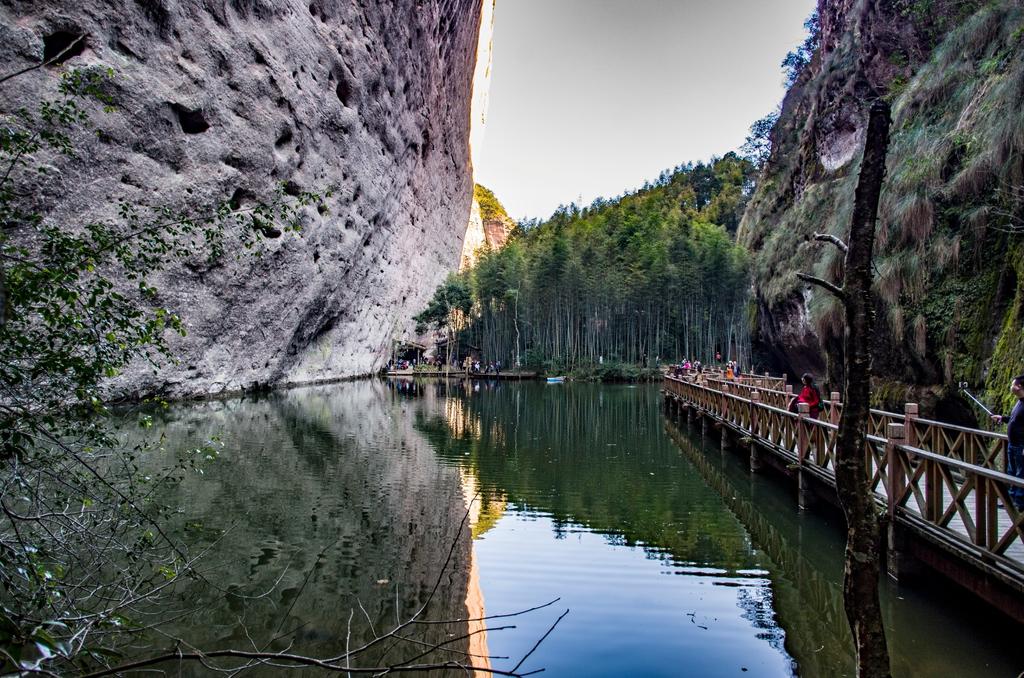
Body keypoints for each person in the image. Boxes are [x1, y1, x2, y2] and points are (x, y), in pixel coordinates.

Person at [991, 375, 1024, 510]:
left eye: (1012, 384)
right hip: (1013, 444)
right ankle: (1010, 501)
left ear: (1019, 386)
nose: (1011, 387)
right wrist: (1003, 418)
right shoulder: (1020, 402)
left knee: (1020, 474)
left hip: (1021, 445)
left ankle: (1019, 503)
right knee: (1012, 472)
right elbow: (1016, 420)